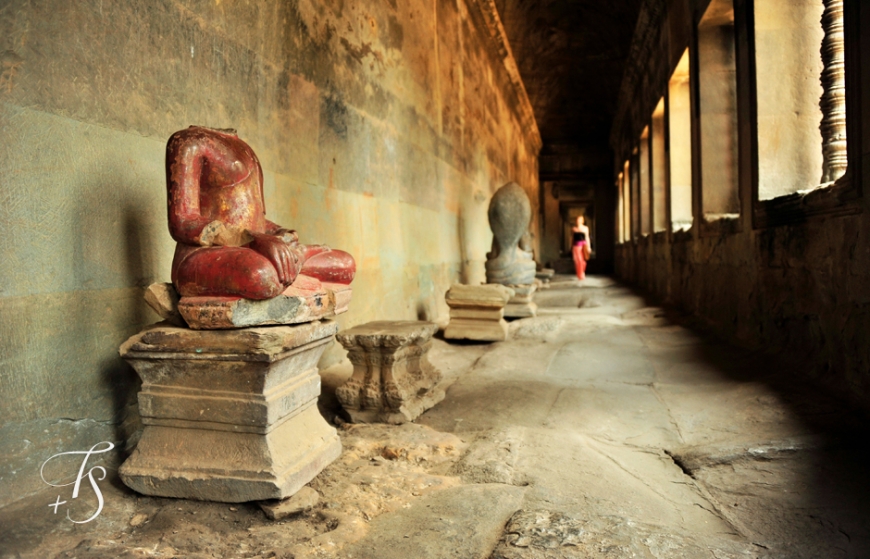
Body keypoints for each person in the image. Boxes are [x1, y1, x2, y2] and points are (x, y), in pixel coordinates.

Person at [166, 126, 355, 299]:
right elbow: (182, 223)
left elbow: (257, 220)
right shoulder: (188, 141)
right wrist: (254, 239)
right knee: (263, 275)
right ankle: (299, 258)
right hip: (203, 256)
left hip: (254, 250)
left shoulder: (246, 149)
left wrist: (280, 233)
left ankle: (294, 260)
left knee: (344, 264)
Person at [571, 215, 591, 280]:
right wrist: (571, 247)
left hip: (583, 246)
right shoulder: (574, 229)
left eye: (579, 219)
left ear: (582, 221)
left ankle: (582, 272)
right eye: (577, 219)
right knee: (578, 260)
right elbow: (572, 238)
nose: (578, 221)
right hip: (576, 246)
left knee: (583, 261)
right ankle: (579, 274)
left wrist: (589, 247)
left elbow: (587, 237)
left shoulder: (585, 228)